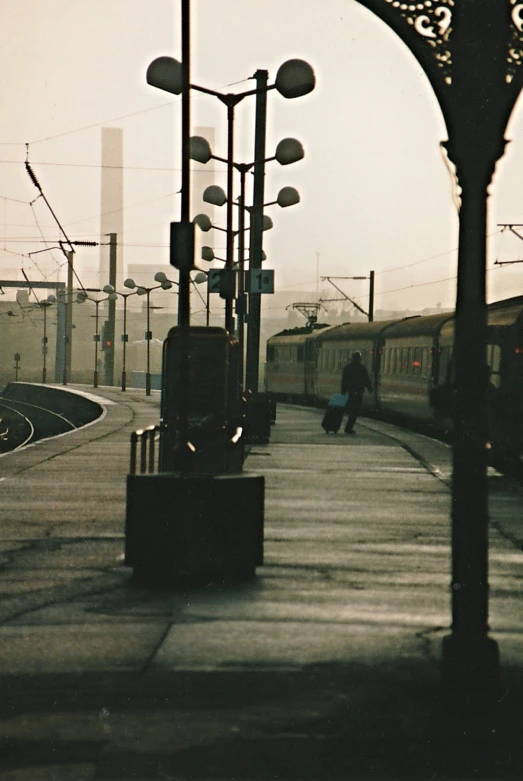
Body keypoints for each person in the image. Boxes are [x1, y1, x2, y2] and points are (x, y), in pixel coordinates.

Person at [341, 351, 373, 434]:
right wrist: (370, 389)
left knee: (352, 409)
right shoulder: (362, 368)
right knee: (355, 411)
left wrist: (343, 392)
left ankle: (348, 427)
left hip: (350, 392)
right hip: (359, 392)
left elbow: (344, 381)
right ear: (359, 359)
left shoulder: (347, 367)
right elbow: (366, 380)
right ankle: (348, 428)